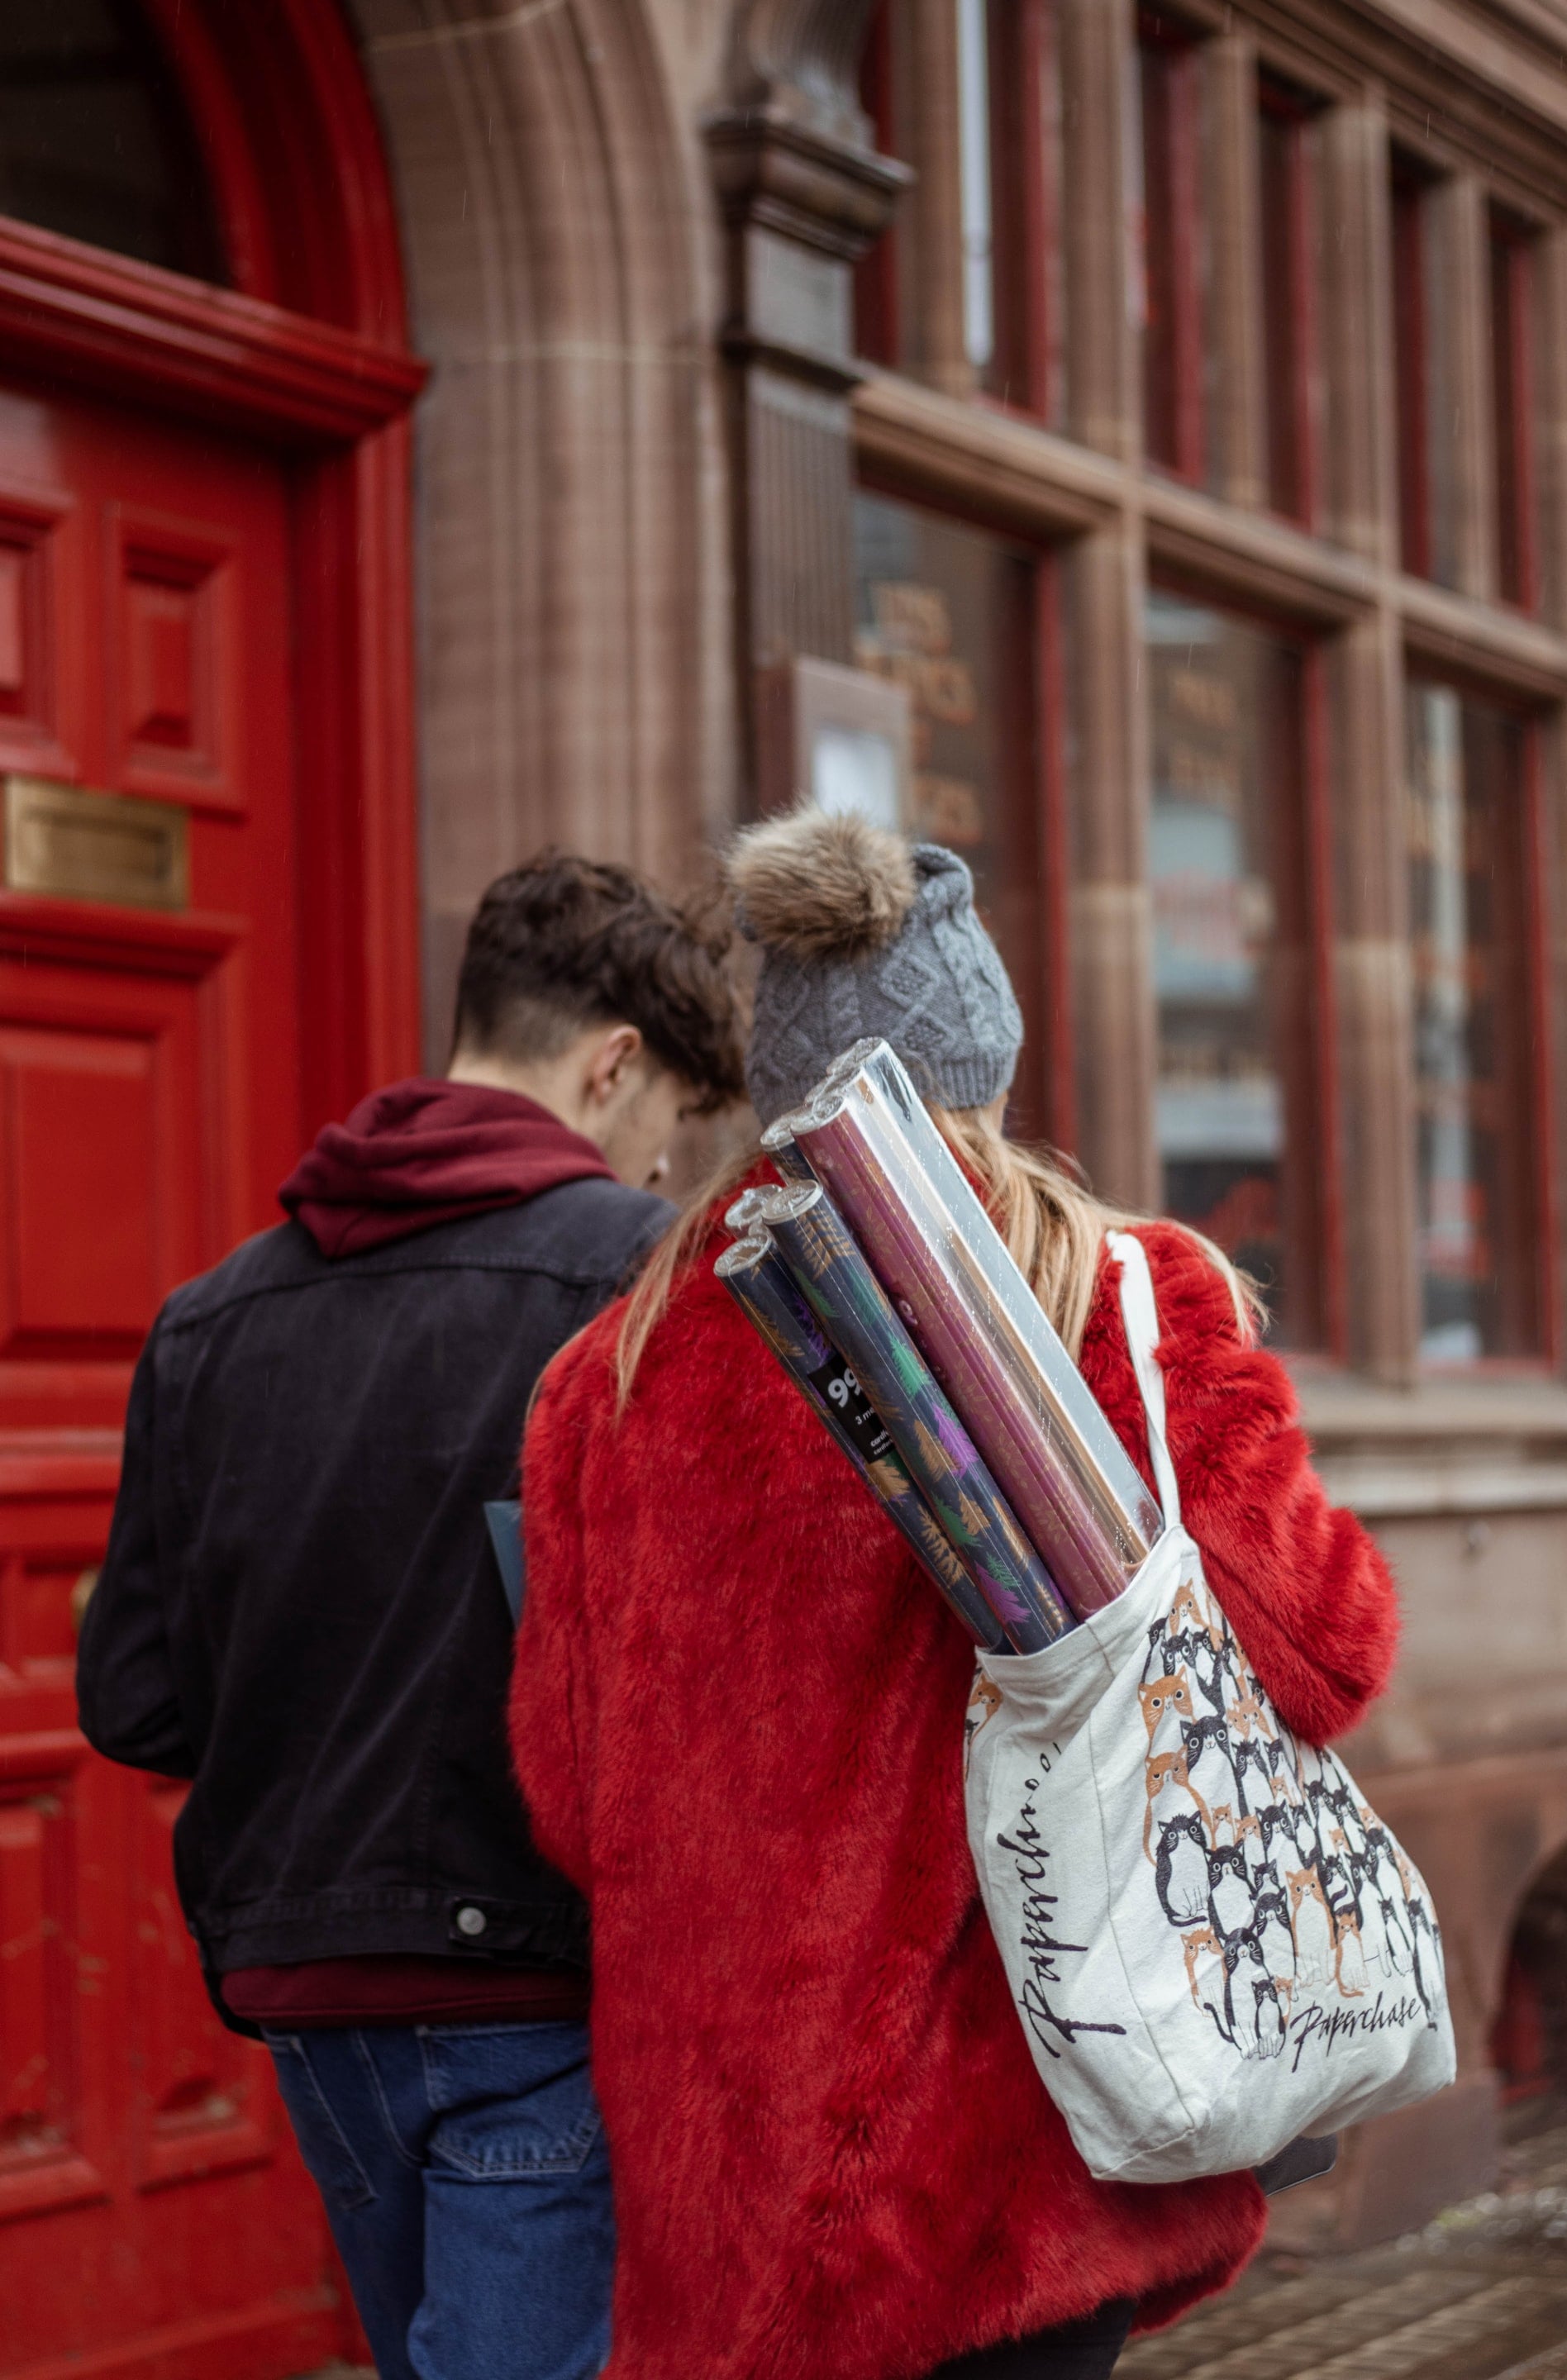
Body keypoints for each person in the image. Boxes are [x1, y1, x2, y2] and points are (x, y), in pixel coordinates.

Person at [509, 809, 1399, 2380]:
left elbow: (570, 1798)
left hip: (724, 2159)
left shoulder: (611, 1369)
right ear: (987, 1062)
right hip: (1009, 2156)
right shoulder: (1115, 1296)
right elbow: (1326, 1653)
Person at [76, 851, 743, 2380]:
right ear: (613, 1065)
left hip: (309, 1992)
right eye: (668, 1126)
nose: (660, 1169)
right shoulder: (640, 1281)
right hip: (542, 1983)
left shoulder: (211, 1315)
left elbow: (133, 1700)